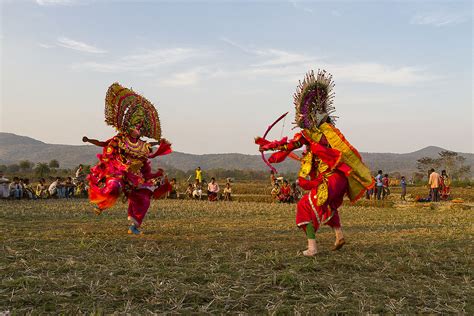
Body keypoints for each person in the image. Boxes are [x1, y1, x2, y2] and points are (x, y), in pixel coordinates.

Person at [256, 70, 373, 256]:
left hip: (331, 179)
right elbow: (293, 145)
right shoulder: (328, 135)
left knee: (304, 205)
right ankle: (339, 235)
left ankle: (312, 248)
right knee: (327, 207)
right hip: (340, 179)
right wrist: (268, 146)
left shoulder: (313, 135)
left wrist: (268, 146)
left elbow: (290, 144)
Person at [83, 83, 172, 235]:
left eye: (140, 127)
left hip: (135, 176)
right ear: (129, 127)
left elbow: (149, 147)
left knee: (144, 198)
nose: (138, 129)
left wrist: (159, 142)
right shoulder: (120, 139)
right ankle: (101, 204)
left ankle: (134, 226)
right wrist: (89, 140)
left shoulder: (142, 145)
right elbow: (103, 143)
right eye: (136, 126)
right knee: (113, 188)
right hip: (118, 170)